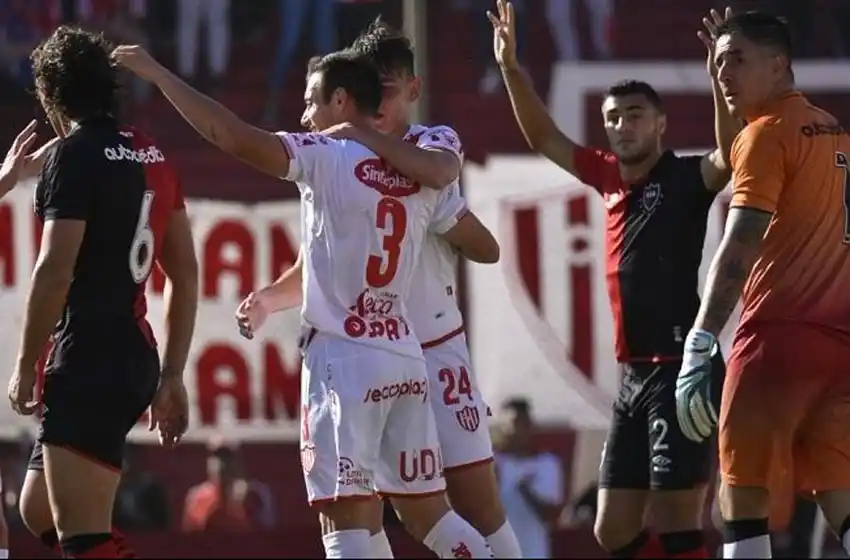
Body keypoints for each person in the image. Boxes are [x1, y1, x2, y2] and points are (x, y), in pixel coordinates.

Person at [114, 45, 494, 558]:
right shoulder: (421, 171)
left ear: (341, 99)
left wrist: (158, 74)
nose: (304, 116)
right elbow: (468, 222)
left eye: (311, 101)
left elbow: (229, 134)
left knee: (343, 524)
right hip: (403, 356)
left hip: (344, 361)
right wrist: (271, 298)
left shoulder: (324, 154)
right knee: (430, 515)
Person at [240, 18, 520, 558]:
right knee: (377, 508)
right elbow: (317, 265)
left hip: (436, 349)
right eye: (373, 89)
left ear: (414, 89)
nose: (381, 102)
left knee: (474, 501)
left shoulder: (427, 146)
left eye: (390, 89)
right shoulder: (339, 161)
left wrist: (432, 216)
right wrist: (270, 298)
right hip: (380, 347)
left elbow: (479, 236)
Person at [490, 1, 741, 557]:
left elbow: (729, 156)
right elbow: (544, 138)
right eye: (613, 117)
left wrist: (720, 83)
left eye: (634, 114)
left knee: (678, 521)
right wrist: (510, 68)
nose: (622, 125)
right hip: (632, 377)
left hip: (681, 369)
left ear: (659, 123)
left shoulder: (685, 178)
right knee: (612, 530)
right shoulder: (607, 177)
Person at [6, 26, 197, 559]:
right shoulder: (150, 152)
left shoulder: (74, 155)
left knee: (83, 538)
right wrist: (172, 373)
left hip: (90, 357)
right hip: (132, 355)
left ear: (50, 96)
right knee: (38, 509)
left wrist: (24, 365)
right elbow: (184, 272)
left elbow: (54, 270)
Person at [673, 11, 850, 560]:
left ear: (778, 65)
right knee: (840, 496)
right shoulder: (830, 128)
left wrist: (701, 337)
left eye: (736, 60)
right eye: (718, 62)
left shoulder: (767, 136)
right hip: (839, 345)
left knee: (740, 497)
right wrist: (719, 85)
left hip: (777, 340)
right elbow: (737, 153)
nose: (724, 72)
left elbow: (740, 241)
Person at [494, 398, 564, 558]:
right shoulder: (493, 463)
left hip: (533, 553)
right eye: (514, 423)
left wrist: (527, 492)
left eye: (524, 424)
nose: (519, 430)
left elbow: (552, 516)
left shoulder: (547, 464)